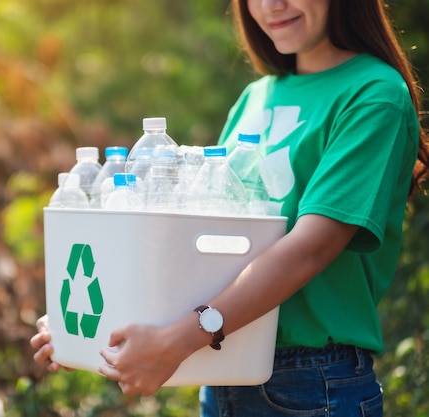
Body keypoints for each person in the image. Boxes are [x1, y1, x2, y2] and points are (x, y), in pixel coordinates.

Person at [31, 0, 429, 415]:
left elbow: (312, 247)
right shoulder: (255, 97)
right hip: (223, 368)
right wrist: (85, 322)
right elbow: (204, 247)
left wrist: (182, 339)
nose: (271, 5)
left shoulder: (374, 94)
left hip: (313, 381)